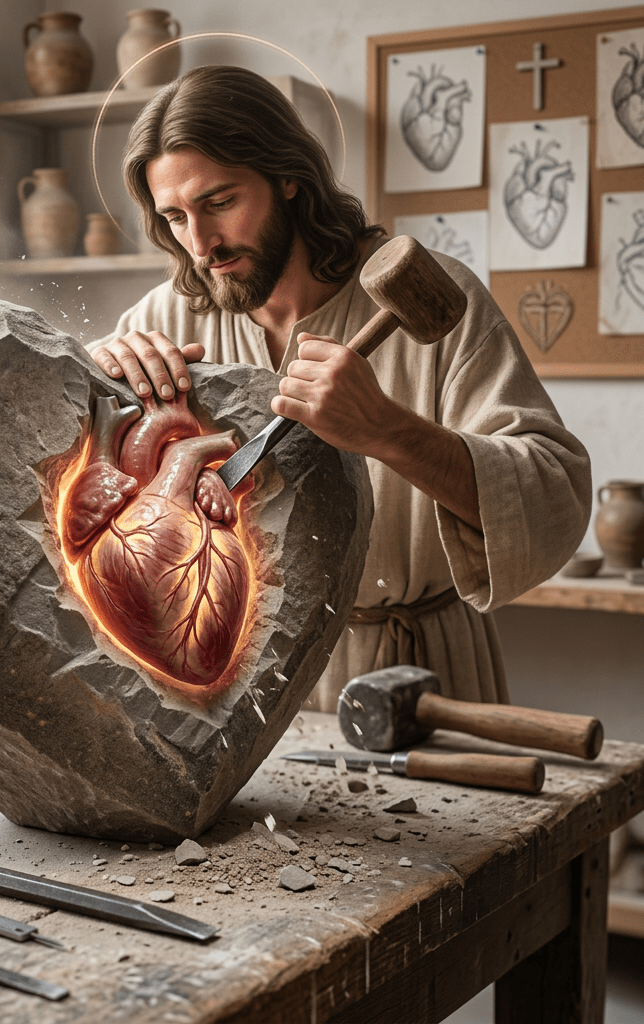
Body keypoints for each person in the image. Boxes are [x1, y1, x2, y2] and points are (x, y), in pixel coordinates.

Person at [88, 65, 591, 711]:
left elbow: (555, 493)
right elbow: (95, 504)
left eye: (219, 203)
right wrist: (98, 379)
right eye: (176, 217)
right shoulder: (163, 321)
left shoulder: (434, 293)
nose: (201, 243)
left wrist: (387, 430)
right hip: (242, 684)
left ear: (289, 177)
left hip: (417, 676)